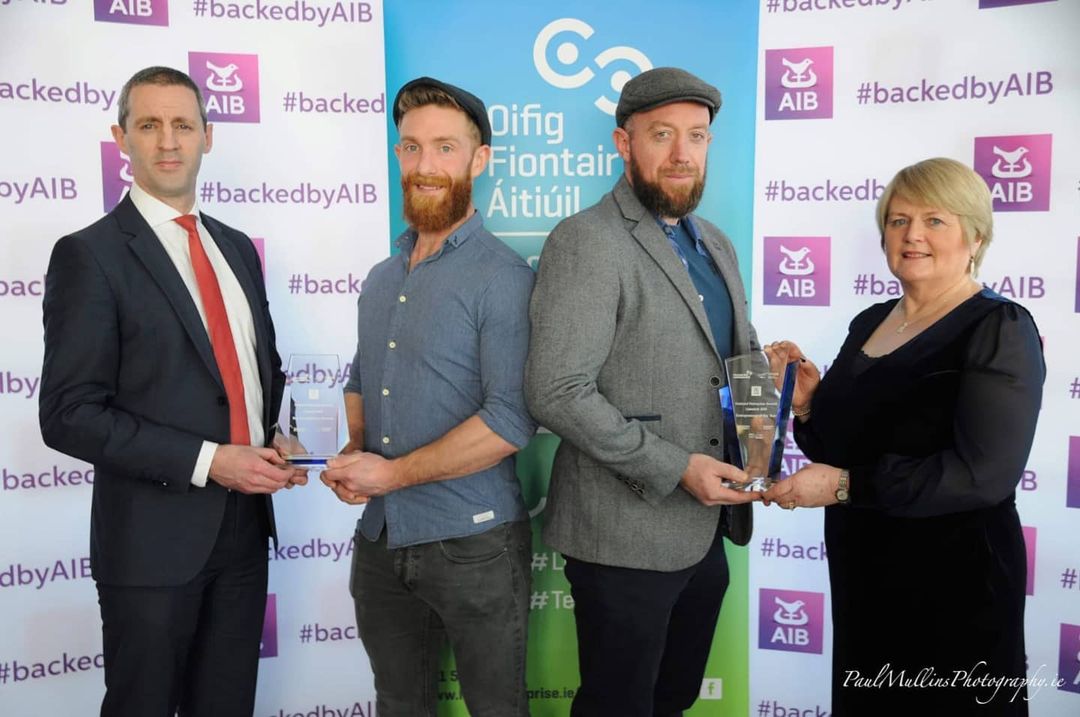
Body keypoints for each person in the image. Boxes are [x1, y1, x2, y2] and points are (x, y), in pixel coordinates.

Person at [39, 66, 304, 717]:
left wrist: (275, 438)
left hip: (244, 534)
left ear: (208, 136)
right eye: (149, 124)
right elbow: (69, 415)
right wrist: (212, 459)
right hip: (152, 546)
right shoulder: (90, 255)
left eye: (183, 124)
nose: (167, 140)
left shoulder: (238, 249)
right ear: (120, 137)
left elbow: (250, 375)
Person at [764, 157, 1043, 716]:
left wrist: (846, 487)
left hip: (957, 583)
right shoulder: (870, 321)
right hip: (866, 571)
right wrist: (809, 405)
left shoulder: (999, 327)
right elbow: (840, 448)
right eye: (897, 220)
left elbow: (981, 476)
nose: (912, 234)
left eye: (934, 220)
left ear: (975, 235)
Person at [524, 67, 760, 716]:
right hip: (623, 535)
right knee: (618, 706)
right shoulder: (587, 240)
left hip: (707, 528)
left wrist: (772, 431)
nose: (683, 153)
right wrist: (677, 466)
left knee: (672, 699)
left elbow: (739, 358)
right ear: (624, 144)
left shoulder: (715, 243)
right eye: (662, 134)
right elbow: (556, 390)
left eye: (697, 135)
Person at [319, 77, 536, 717]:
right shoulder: (382, 278)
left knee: (496, 708)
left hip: (476, 545)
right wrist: (354, 455)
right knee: (397, 704)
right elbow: (361, 380)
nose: (426, 166)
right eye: (411, 149)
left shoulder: (503, 277)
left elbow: (509, 420)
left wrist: (391, 474)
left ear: (479, 159)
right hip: (382, 541)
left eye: (445, 147)